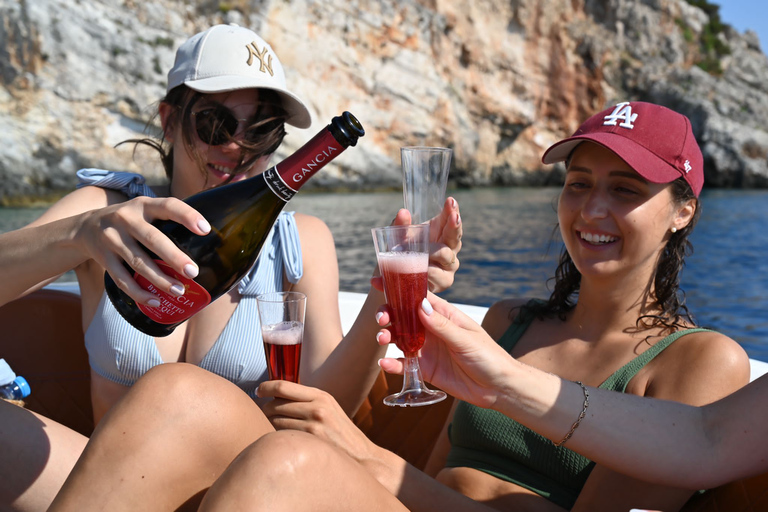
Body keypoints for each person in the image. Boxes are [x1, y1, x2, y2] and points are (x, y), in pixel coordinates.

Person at [48, 101, 751, 512]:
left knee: (285, 467)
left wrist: (368, 458)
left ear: (684, 211)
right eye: (578, 183)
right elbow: (438, 472)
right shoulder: (511, 322)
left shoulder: (697, 361)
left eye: (626, 190)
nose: (593, 208)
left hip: (400, 493)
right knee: (177, 394)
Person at [0, 23, 462, 511]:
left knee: (179, 393)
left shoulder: (298, 239)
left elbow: (327, 405)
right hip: (108, 485)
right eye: (216, 125)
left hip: (234, 495)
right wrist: (79, 234)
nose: (238, 147)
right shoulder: (109, 215)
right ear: (169, 120)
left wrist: (387, 295)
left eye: (262, 131)